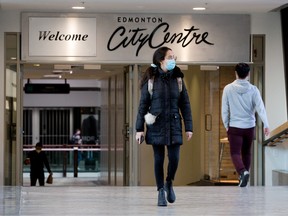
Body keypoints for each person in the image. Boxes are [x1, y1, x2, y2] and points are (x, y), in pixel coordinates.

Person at [135, 47, 193, 207]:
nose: (173, 59)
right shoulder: (151, 80)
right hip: (156, 125)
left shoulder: (178, 79)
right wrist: (139, 129)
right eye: (170, 57)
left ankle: (169, 182)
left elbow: (185, 104)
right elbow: (143, 105)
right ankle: (160, 190)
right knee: (158, 159)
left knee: (174, 158)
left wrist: (189, 127)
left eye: (173, 57)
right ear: (161, 60)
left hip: (174, 124)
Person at [221, 63, 270, 187]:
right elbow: (261, 108)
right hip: (249, 127)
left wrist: (226, 124)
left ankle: (243, 172)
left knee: (235, 153)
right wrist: (266, 124)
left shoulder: (228, 88)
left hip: (235, 126)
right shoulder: (254, 89)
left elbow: (224, 109)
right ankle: (244, 177)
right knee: (246, 152)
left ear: (236, 73)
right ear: (248, 74)